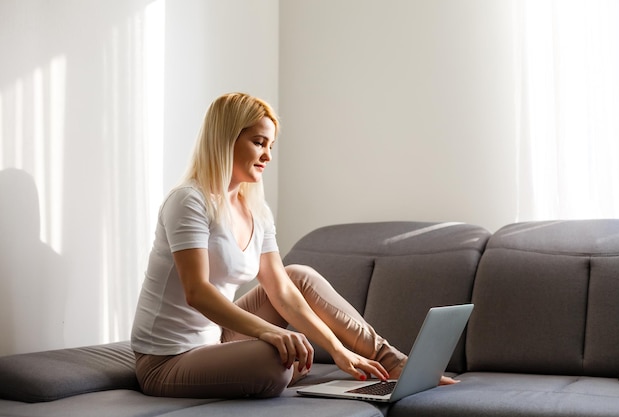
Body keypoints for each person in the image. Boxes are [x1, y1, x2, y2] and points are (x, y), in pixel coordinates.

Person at [131, 92, 456, 399]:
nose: (268, 156)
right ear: (225, 139)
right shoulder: (189, 201)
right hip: (167, 359)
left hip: (215, 339)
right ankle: (279, 365)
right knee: (274, 359)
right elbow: (197, 291)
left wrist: (339, 350)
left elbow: (282, 290)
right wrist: (269, 333)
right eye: (259, 142)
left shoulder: (255, 209)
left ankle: (395, 362)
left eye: (270, 145)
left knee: (298, 275)